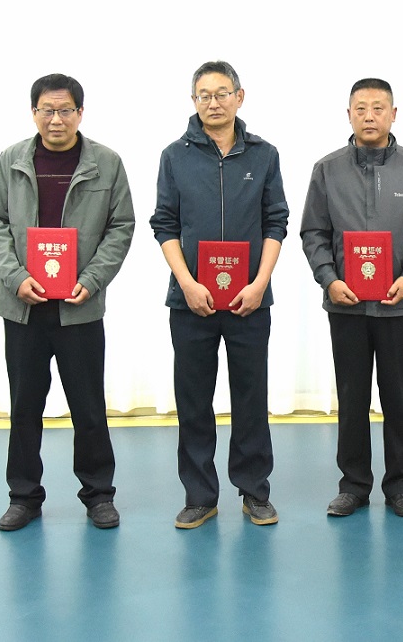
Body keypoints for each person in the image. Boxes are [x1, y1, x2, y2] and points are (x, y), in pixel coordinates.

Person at [0, 73, 136, 532]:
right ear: (34, 113)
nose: (56, 119)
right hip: (23, 308)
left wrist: (92, 279)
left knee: (88, 409)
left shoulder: (106, 163)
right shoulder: (11, 160)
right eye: (46, 110)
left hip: (79, 307)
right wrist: (16, 278)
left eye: (65, 110)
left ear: (80, 113)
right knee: (25, 409)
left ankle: (99, 495)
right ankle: (24, 497)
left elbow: (121, 226)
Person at [150, 61, 289, 529]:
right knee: (193, 400)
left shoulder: (264, 155)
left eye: (222, 93)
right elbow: (164, 224)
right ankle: (199, 495)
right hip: (191, 301)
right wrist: (187, 283)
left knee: (251, 397)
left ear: (239, 97)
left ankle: (255, 492)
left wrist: (260, 283)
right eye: (204, 95)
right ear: (194, 101)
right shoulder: (175, 156)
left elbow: (276, 222)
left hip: (250, 299)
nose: (214, 102)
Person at [300, 78, 403, 518]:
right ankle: (353, 485)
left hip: (400, 304)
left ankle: (400, 486)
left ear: (393, 114)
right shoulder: (327, 170)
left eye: (378, 108)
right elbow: (313, 232)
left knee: (398, 397)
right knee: (352, 397)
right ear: (348, 114)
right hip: (345, 304)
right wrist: (329, 280)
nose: (369, 116)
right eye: (360, 108)